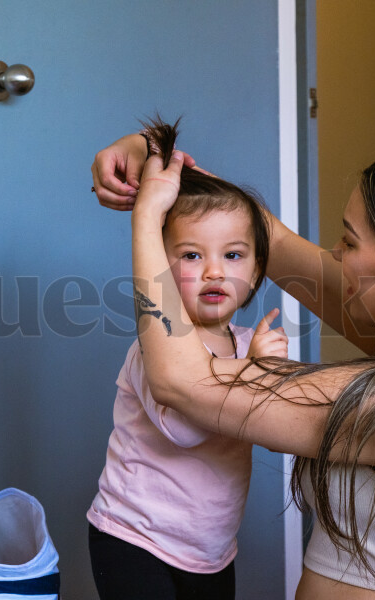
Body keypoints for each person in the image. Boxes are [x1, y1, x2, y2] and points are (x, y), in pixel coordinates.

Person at [92, 135, 375, 600]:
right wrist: (154, 156)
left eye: (349, 240)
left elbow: (181, 381)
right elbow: (261, 233)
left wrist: (145, 223)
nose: (335, 254)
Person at [87, 119, 289, 600]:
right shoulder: (155, 345)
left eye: (235, 255)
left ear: (259, 267)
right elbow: (187, 424)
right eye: (193, 256)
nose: (215, 270)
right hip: (134, 537)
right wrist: (254, 371)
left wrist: (267, 374)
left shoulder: (246, 341)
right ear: (159, 261)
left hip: (210, 549)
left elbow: (271, 424)